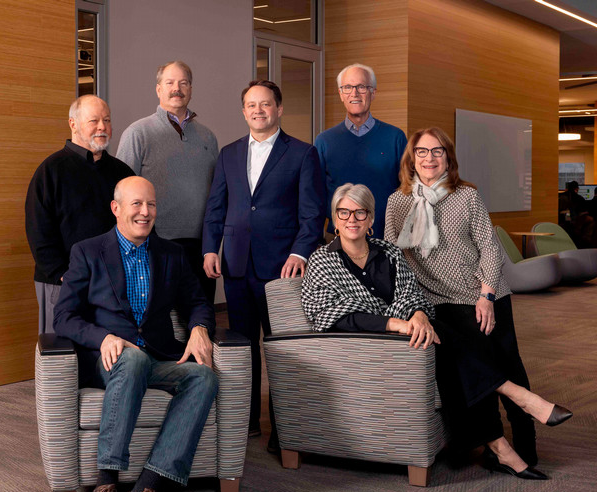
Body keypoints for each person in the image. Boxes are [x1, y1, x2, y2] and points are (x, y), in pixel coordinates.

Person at [384, 127, 573, 480]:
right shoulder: (398, 202)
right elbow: (394, 256)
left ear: (448, 158)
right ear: (411, 158)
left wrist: (485, 296)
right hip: (440, 299)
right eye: (422, 152)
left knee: (508, 365)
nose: (429, 158)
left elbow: (489, 246)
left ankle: (526, 447)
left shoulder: (466, 196)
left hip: (487, 292)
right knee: (476, 370)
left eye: (437, 152)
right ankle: (498, 449)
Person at [54, 176, 217, 492]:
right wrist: (104, 336)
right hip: (109, 362)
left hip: (159, 356)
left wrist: (200, 327)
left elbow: (197, 303)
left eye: (151, 205)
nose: (145, 212)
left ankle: (145, 490)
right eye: (137, 204)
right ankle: (106, 488)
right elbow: (64, 317)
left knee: (203, 376)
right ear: (116, 209)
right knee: (133, 360)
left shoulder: (172, 254)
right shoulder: (88, 251)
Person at [202, 79, 325, 447]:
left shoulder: (303, 154)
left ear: (279, 109)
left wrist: (299, 253)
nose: (258, 110)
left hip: (282, 268)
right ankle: (248, 419)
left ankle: (285, 425)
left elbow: (312, 214)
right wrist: (211, 248)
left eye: (266, 104)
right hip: (237, 264)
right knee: (242, 346)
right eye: (251, 105)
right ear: (244, 111)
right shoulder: (228, 153)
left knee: (281, 346)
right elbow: (216, 207)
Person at [25, 95, 134, 334]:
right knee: (63, 356)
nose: (102, 127)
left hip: (114, 285)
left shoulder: (122, 172)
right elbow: (38, 230)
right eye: (93, 120)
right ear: (73, 124)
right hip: (62, 282)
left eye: (107, 120)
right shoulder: (50, 171)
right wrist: (63, 275)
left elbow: (136, 224)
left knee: (110, 354)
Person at [117, 60, 219, 304]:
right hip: (154, 244)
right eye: (170, 83)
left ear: (191, 89)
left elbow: (216, 193)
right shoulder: (138, 133)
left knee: (200, 318)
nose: (177, 88)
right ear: (158, 89)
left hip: (199, 247)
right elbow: (122, 191)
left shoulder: (208, 136)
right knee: (159, 321)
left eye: (183, 83)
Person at [301, 184, 439, 351]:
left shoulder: (390, 252)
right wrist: (395, 324)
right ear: (335, 219)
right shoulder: (321, 261)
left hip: (406, 336)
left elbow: (412, 295)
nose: (351, 219)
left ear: (370, 219)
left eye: (360, 212)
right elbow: (332, 316)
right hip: (356, 345)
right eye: (344, 213)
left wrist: (419, 315)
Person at [314, 63, 407, 239]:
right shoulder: (324, 141)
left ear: (373, 93)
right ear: (341, 94)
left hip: (387, 238)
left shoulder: (396, 138)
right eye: (347, 87)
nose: (354, 93)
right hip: (339, 238)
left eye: (361, 87)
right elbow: (315, 196)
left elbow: (407, 189)